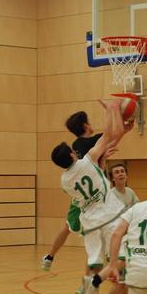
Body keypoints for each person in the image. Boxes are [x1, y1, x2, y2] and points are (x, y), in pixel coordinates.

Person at [51, 99, 131, 294]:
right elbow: (112, 133)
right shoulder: (88, 160)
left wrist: (102, 161)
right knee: (122, 259)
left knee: (95, 263)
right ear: (72, 155)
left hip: (90, 223)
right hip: (109, 216)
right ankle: (94, 284)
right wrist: (113, 109)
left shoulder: (64, 181)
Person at [41, 111, 103, 271]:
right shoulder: (96, 141)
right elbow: (112, 134)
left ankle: (50, 256)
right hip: (94, 196)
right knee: (95, 239)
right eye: (89, 121)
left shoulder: (76, 145)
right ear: (86, 125)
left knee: (67, 227)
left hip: (79, 194)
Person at [100, 163, 139, 294]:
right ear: (112, 178)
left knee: (125, 282)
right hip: (115, 240)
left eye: (123, 171)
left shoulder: (130, 193)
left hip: (128, 240)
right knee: (118, 281)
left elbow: (138, 213)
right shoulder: (110, 196)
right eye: (117, 172)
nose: (121, 174)